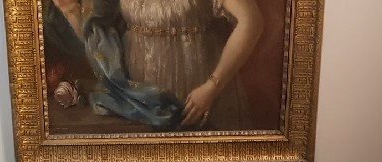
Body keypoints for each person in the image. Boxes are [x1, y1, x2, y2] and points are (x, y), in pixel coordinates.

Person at [49, 0, 263, 130]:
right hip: (137, 98)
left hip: (198, 90)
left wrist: (212, 86)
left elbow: (251, 21)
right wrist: (71, 12)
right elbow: (97, 38)